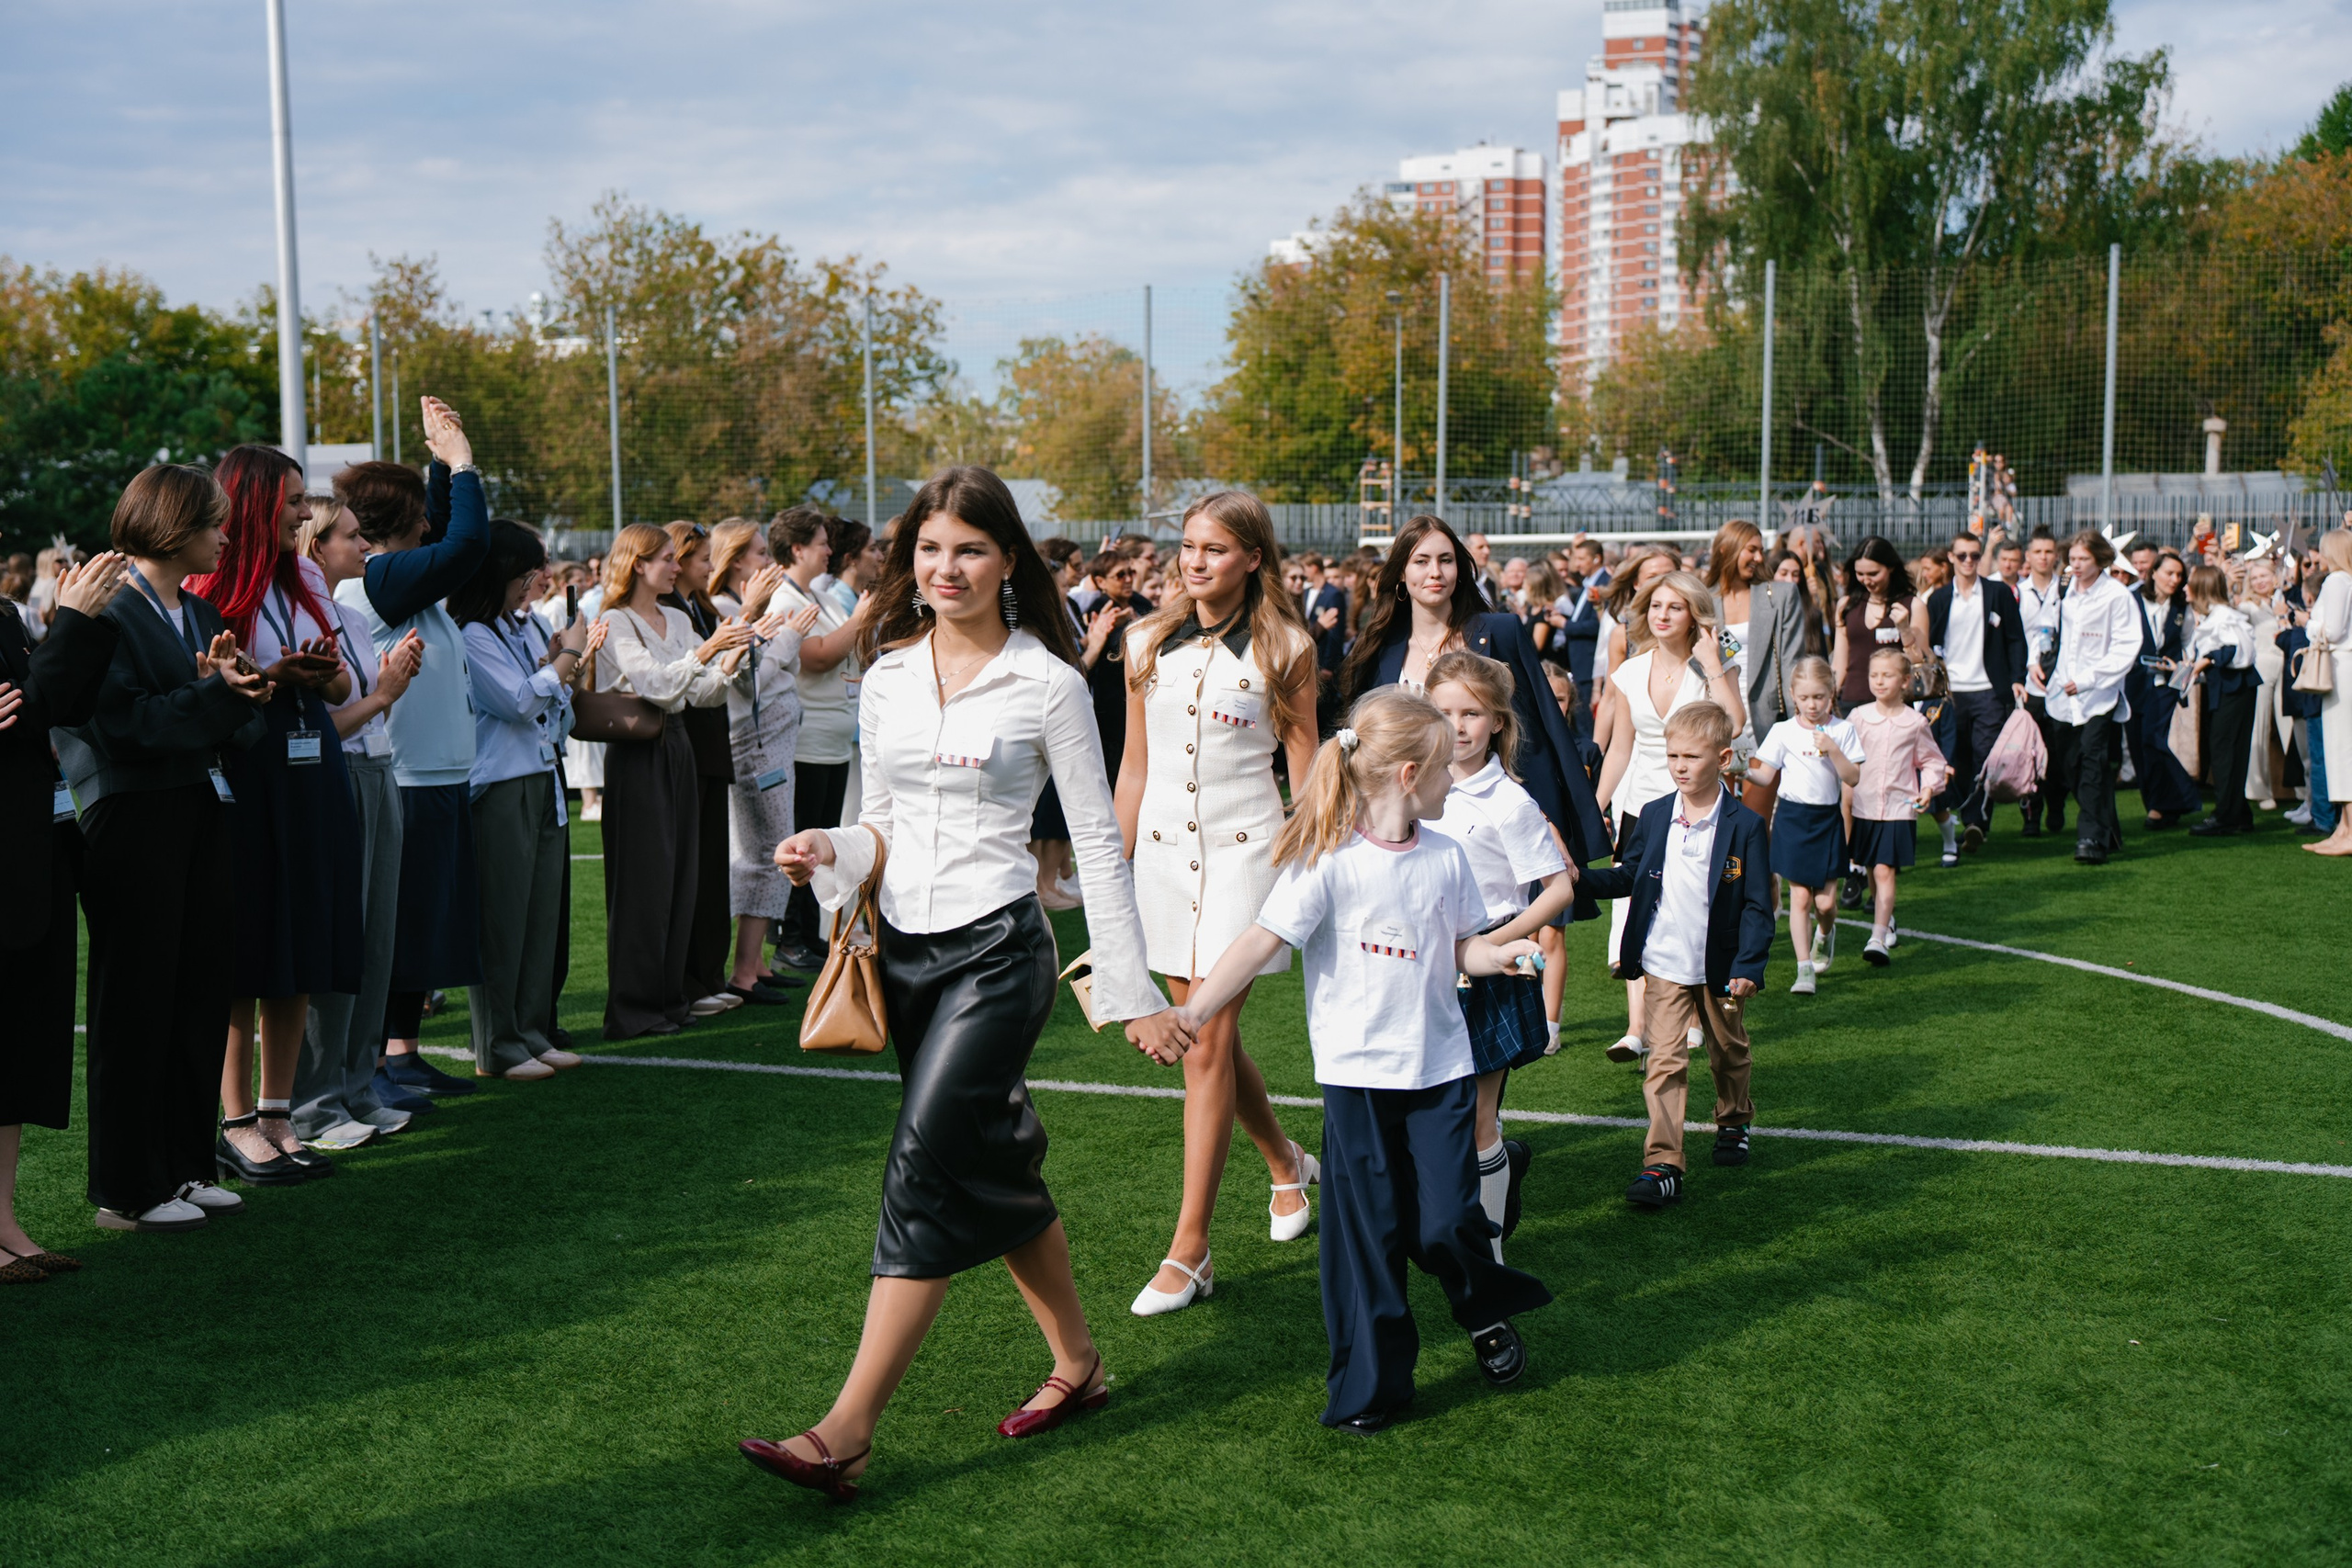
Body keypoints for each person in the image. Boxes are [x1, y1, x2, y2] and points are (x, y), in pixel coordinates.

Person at [744, 467, 1191, 1501]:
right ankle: (1078, 1365)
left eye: (970, 550)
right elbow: (882, 821)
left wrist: (1131, 993)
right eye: (931, 550)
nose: (947, 569)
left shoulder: (1049, 682)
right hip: (903, 953)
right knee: (992, 1166)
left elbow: (1091, 840)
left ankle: (844, 1431)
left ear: (1006, 563)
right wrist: (829, 848)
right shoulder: (888, 673)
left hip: (998, 954)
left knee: (923, 1167)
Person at [1175, 688, 1554, 1429]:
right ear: (1410, 775)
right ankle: (1371, 1389)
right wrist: (1194, 1009)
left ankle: (1483, 1307)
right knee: (1369, 1242)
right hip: (1355, 1084)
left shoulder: (1446, 856)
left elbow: (1461, 946)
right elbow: (1260, 940)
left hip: (1439, 1074)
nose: (1456, 780)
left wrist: (1497, 953)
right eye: (1446, 768)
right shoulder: (1329, 861)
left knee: (1444, 1225)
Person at [1113, 492, 1321, 1317]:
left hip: (1248, 863)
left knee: (1201, 1041)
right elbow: (1133, 766)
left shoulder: (1289, 647)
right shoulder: (1141, 640)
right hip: (1161, 862)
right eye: (1189, 547)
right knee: (1213, 1048)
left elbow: (1305, 774)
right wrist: (1115, 876)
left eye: (1215, 549)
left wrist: (1315, 873)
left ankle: (1190, 1248)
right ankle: (1288, 1163)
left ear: (1252, 559)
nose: (1195, 561)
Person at [56, 465, 270, 1231]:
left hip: (198, 809)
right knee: (137, 1004)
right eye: (214, 522)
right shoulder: (109, 605)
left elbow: (232, 728)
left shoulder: (198, 607)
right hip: (132, 818)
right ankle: (125, 1186)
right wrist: (218, 692)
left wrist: (243, 688)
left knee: (197, 992)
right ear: (175, 527)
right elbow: (125, 726)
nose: (226, 534)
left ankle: (184, 1166)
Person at [191, 446, 365, 1179]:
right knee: (251, 944)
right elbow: (205, 686)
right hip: (248, 775)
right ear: (258, 501)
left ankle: (278, 1113)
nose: (304, 512)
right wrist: (271, 673)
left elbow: (344, 686)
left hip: (310, 769)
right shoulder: (208, 586)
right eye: (295, 499)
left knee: (302, 942)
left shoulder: (304, 579)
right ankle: (235, 1122)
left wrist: (319, 673)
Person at [333, 399, 492, 1105]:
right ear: (392, 528)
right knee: (397, 929)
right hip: (404, 776)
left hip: (437, 774)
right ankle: (374, 1063)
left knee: (425, 926)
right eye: (419, 513)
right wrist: (462, 466)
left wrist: (434, 457)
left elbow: (440, 535)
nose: (431, 519)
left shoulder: (404, 580)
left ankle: (403, 1052)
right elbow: (464, 547)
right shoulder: (372, 581)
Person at [1340, 515, 1608, 906]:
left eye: (1446, 560)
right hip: (1399, 816)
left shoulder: (1499, 632)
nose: (1436, 572)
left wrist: (1544, 819)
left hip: (1484, 818)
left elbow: (1535, 735)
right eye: (1421, 561)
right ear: (1400, 573)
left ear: (1460, 569)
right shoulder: (1379, 647)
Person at [1576, 699, 1772, 1209]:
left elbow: (1756, 905)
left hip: (1722, 968)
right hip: (1663, 963)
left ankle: (1734, 1119)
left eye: (1692, 757)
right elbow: (1628, 875)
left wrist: (1749, 966)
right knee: (1663, 1062)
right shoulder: (1656, 813)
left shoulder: (1746, 826)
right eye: (1672, 756)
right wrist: (1579, 879)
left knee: (1727, 1051)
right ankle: (1663, 1162)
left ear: (1724, 757)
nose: (1680, 767)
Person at [0, 550, 125, 1278]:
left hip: (27, 849)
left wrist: (77, 626)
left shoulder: (4, 615)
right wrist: (70, 622)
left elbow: (50, 709)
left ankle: (7, 1222)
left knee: (15, 1049)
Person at [1425, 651, 1575, 1257]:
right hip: (1424, 969)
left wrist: (1499, 938)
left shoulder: (1509, 800)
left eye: (1472, 713)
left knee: (1479, 1117)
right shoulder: (1412, 785)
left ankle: (1489, 1254)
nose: (1458, 725)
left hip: (1488, 971)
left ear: (1497, 722)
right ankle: (1491, 1179)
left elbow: (1560, 887)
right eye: (1444, 711)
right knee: (1436, 1115)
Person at [291, 500, 424, 1145]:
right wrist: (383, 694)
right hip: (337, 773)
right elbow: (328, 722)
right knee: (340, 938)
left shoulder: (348, 616)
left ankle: (354, 1084)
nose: (365, 544)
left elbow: (371, 712)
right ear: (316, 547)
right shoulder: (301, 615)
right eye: (350, 535)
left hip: (377, 770)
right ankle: (313, 1102)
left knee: (376, 936)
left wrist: (387, 687)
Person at [594, 524, 756, 1039]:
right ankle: (633, 1009)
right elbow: (658, 687)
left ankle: (668, 999)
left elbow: (702, 695)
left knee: (681, 878)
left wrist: (730, 653)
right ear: (638, 564)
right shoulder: (615, 621)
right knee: (644, 884)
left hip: (679, 747)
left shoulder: (674, 617)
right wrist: (710, 651)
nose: (675, 564)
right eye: (666, 557)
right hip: (638, 755)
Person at [454, 520, 593, 1078]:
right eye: (525, 571)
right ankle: (500, 1043)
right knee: (503, 919)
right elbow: (515, 703)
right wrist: (563, 663)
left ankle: (532, 1030)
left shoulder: (528, 628)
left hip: (543, 777)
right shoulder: (472, 632)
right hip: (500, 784)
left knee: (540, 915)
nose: (534, 582)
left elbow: (557, 714)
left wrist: (560, 666)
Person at [1592, 570, 1745, 1059]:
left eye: (1674, 607)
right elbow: (1619, 749)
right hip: (1640, 807)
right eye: (1656, 606)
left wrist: (1712, 664)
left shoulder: (1716, 664)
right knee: (1633, 909)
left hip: (1698, 808)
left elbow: (1735, 726)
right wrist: (1595, 809)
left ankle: (1694, 1012)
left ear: (1694, 616)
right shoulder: (1630, 672)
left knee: (1692, 907)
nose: (1661, 615)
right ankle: (1638, 1027)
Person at [707, 518, 816, 999]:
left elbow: (770, 669)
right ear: (733, 560)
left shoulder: (743, 610)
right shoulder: (724, 609)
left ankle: (756, 965)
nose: (768, 563)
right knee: (766, 853)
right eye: (757, 553)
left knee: (773, 849)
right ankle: (744, 971)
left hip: (773, 743)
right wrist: (788, 640)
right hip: (754, 748)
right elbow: (748, 680)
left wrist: (780, 646)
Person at [767, 508, 866, 974]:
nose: (830, 550)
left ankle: (811, 934)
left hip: (832, 733)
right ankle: (791, 937)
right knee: (803, 839)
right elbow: (819, 657)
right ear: (798, 549)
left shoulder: (818, 597)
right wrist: (862, 618)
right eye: (822, 543)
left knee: (822, 834)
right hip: (807, 736)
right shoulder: (784, 599)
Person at [658, 522, 745, 1014]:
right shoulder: (669, 611)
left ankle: (706, 976)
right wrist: (719, 650)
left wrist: (734, 646)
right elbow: (680, 681)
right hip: (687, 741)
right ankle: (691, 981)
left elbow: (714, 677)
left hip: (710, 741)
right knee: (691, 869)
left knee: (710, 868)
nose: (710, 567)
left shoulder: (699, 607)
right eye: (701, 558)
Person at [1745, 656, 1863, 994]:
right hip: (1793, 819)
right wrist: (1741, 769)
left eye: (1820, 697)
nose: (1813, 705)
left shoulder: (1843, 730)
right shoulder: (1783, 731)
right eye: (1805, 697)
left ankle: (1825, 934)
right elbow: (1764, 776)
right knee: (1799, 899)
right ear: (1793, 696)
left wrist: (1834, 750)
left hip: (1827, 821)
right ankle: (1804, 968)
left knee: (1825, 903)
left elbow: (1853, 777)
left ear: (1831, 694)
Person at [1925, 530, 2027, 864]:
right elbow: (1929, 645)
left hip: (1988, 690)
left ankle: (1976, 823)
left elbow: (2016, 639)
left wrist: (2016, 679)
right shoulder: (1938, 599)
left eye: (1974, 555)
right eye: (1962, 555)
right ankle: (1964, 816)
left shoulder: (1998, 593)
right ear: (1951, 558)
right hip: (1951, 693)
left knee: (1985, 757)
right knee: (1957, 758)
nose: (1969, 561)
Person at [1848, 647, 1951, 963]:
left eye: (1887, 675)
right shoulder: (1858, 717)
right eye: (1874, 675)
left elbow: (1932, 761)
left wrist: (1929, 788)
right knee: (1871, 868)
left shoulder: (1914, 722)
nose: (1879, 682)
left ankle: (1877, 938)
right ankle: (1885, 918)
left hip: (1898, 809)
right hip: (1863, 808)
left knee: (1884, 870)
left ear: (1905, 681)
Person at [2043, 530, 2139, 864]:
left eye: (2084, 559)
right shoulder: (2063, 588)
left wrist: (2087, 680)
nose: (2076, 565)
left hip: (2098, 695)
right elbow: (2043, 628)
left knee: (2093, 765)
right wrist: (2032, 663)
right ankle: (2109, 829)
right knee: (2070, 766)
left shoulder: (2116, 595)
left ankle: (2090, 838)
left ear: (2101, 560)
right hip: (2060, 696)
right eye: (2072, 559)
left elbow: (2127, 646)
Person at [2184, 563, 2257, 839]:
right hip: (2227, 690)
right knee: (2228, 751)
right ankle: (2238, 814)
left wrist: (2207, 660)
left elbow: (2239, 652)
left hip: (2234, 690)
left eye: (2189, 583)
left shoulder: (2224, 616)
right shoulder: (2212, 616)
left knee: (2225, 751)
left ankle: (2226, 815)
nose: (2184, 587)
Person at [2128, 550, 2200, 830]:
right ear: (2153, 572)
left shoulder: (2183, 607)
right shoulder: (2132, 599)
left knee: (2152, 740)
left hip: (2164, 686)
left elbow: (2190, 646)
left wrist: (2179, 671)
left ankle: (2174, 800)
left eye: (2179, 575)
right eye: (2169, 573)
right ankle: (2159, 805)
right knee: (2138, 745)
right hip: (2133, 683)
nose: (2175, 579)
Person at [1832, 536, 1928, 716]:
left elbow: (1918, 662)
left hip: (1895, 704)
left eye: (1873, 574)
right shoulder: (1846, 605)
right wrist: (1829, 697)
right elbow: (1839, 663)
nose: (1867, 581)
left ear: (1891, 568)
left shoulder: (1913, 605)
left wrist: (1905, 630)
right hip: (1852, 702)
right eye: (1860, 574)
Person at [2017, 528, 2069, 838]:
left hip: (2060, 682)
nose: (2044, 557)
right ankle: (2031, 815)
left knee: (2058, 751)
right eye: (2038, 552)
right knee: (2030, 752)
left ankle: (2057, 805)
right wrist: (2026, 666)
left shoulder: (2066, 591)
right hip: (2028, 684)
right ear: (2029, 556)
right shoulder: (2017, 593)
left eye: (2049, 552)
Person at [2302, 528, 2352, 855]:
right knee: (2341, 751)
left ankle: (2348, 832)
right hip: (2343, 668)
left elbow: (2331, 630)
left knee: (2342, 751)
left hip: (2341, 669)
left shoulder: (2337, 581)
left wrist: (2308, 623)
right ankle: (2344, 829)